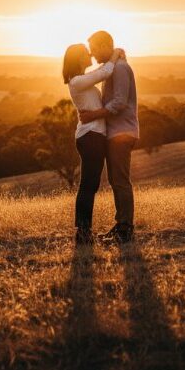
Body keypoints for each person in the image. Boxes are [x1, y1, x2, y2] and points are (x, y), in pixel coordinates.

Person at [78, 30, 139, 244]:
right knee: (116, 180)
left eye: (94, 48)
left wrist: (93, 115)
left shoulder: (120, 69)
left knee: (120, 181)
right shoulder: (114, 67)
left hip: (121, 132)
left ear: (105, 45)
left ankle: (126, 229)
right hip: (116, 132)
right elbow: (102, 73)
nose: (92, 54)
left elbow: (119, 102)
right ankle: (121, 225)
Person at [62, 43, 125, 245]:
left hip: (92, 136)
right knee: (88, 186)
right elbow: (105, 72)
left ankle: (83, 231)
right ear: (78, 58)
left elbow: (101, 73)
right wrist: (115, 53)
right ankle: (82, 233)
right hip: (90, 137)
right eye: (85, 53)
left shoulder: (82, 81)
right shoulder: (77, 81)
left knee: (90, 185)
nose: (90, 54)